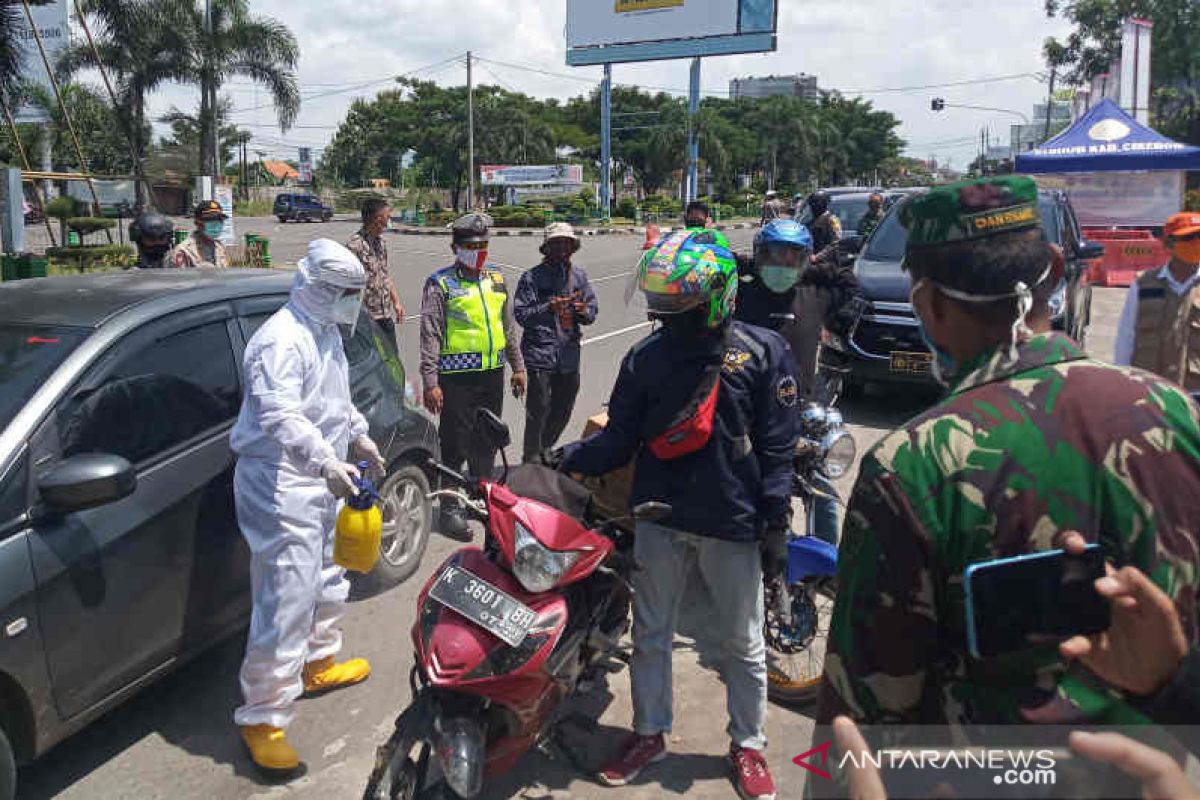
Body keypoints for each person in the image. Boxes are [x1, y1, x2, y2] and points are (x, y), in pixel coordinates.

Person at [816, 177, 1200, 738]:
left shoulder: (915, 463)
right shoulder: (1175, 410)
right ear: (1052, 266)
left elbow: (868, 705)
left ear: (925, 302)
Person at [562, 229, 798, 800]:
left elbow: (778, 449)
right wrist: (562, 459)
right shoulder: (645, 358)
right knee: (650, 635)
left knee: (743, 644)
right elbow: (618, 440)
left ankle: (749, 745)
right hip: (658, 517)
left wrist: (775, 524)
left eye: (677, 299)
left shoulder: (764, 352)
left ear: (714, 295)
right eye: (661, 298)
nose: (665, 309)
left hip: (734, 522)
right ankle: (649, 733)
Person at [229, 239, 384, 774]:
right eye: (345, 294)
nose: (351, 304)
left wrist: (358, 436)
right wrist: (324, 460)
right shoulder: (280, 341)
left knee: (329, 571)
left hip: (322, 476)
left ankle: (318, 662)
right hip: (281, 482)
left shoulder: (323, 332)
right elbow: (280, 416)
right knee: (286, 598)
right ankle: (262, 716)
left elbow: (334, 400)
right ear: (318, 289)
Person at [734, 219, 863, 544]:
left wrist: (814, 270)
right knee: (746, 489)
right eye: (773, 256)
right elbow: (715, 276)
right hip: (746, 412)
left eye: (792, 258)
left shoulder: (814, 294)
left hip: (799, 412)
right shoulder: (743, 294)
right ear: (759, 256)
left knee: (821, 491)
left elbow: (851, 284)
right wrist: (746, 265)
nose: (781, 265)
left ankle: (821, 566)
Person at [419, 213, 527, 538]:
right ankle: (450, 508)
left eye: (482, 244)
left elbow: (507, 328)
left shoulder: (495, 280)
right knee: (455, 443)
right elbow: (430, 334)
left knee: (486, 440)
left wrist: (518, 367)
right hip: (456, 378)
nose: (477, 250)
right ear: (455, 247)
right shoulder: (440, 283)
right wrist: (430, 382)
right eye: (469, 245)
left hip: (492, 374)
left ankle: (479, 498)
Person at [514, 222, 598, 462]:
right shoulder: (531, 278)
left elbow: (592, 310)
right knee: (538, 410)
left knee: (563, 408)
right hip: (541, 354)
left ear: (573, 248)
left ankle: (543, 451)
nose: (562, 248)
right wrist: (548, 307)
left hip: (569, 355)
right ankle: (530, 459)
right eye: (557, 243)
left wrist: (583, 311)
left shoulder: (579, 277)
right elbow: (522, 315)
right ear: (547, 248)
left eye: (566, 243)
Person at [1113, 212, 1200, 390]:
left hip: (1195, 394)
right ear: (1168, 243)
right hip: (1149, 391)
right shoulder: (1143, 284)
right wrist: (1122, 384)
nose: (1196, 243)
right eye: (1189, 237)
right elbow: (1126, 338)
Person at [346, 198, 404, 344]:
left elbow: (385, 275)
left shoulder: (381, 243)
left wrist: (396, 302)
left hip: (384, 315)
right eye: (387, 216)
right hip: (366, 317)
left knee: (392, 360)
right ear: (378, 219)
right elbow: (347, 283)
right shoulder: (355, 245)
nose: (389, 220)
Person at [172, 200, 230, 268]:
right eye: (210, 220)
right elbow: (180, 277)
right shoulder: (184, 250)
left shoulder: (219, 247)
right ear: (197, 223)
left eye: (219, 220)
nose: (216, 224)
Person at [804, 191, 842, 265]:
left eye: (814, 204)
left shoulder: (832, 220)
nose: (812, 207)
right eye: (811, 204)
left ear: (822, 204)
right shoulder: (811, 222)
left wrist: (817, 257)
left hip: (827, 263)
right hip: (812, 262)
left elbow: (836, 243)